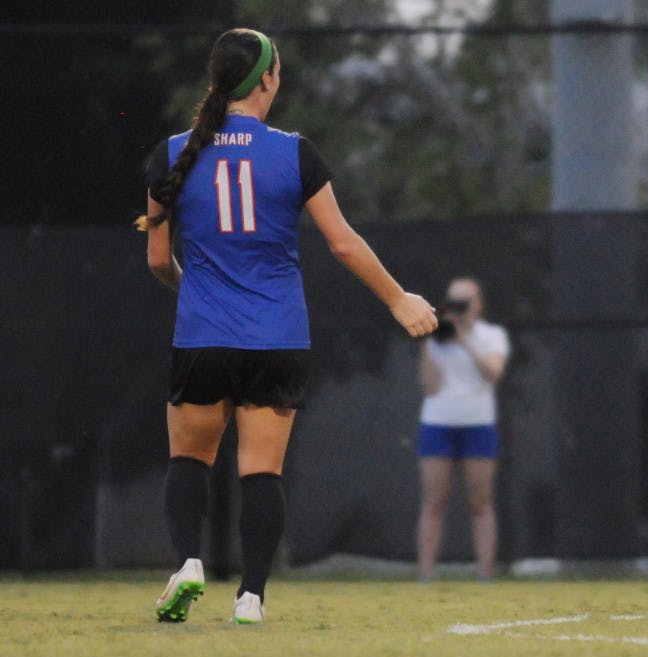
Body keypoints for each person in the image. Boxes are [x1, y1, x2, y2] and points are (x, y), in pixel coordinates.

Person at [137, 28, 437, 624]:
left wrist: (193, 287)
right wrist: (399, 298)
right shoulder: (295, 152)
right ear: (267, 80)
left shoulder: (171, 153)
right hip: (277, 339)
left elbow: (155, 259)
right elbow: (344, 245)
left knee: (189, 459)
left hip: (202, 336)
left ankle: (188, 563)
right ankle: (251, 596)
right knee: (261, 471)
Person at [416, 277, 509, 581]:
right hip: (438, 423)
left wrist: (464, 340)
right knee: (434, 500)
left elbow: (492, 372)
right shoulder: (437, 338)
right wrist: (435, 340)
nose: (458, 308)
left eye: (464, 302)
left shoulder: (492, 336)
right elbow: (430, 386)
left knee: (480, 501)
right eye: (453, 302)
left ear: (478, 304)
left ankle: (485, 574)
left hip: (477, 423)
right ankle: (426, 575)